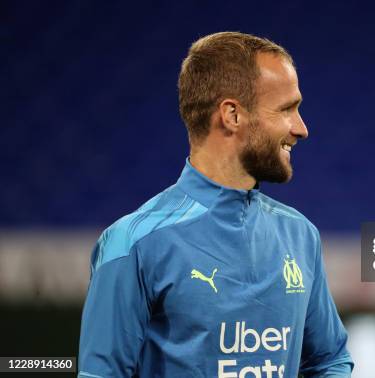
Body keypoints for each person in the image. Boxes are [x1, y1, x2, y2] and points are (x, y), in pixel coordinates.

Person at [78, 32, 354, 377]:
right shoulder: (133, 243)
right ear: (232, 115)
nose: (301, 129)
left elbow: (330, 360)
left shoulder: (300, 235)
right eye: (287, 109)